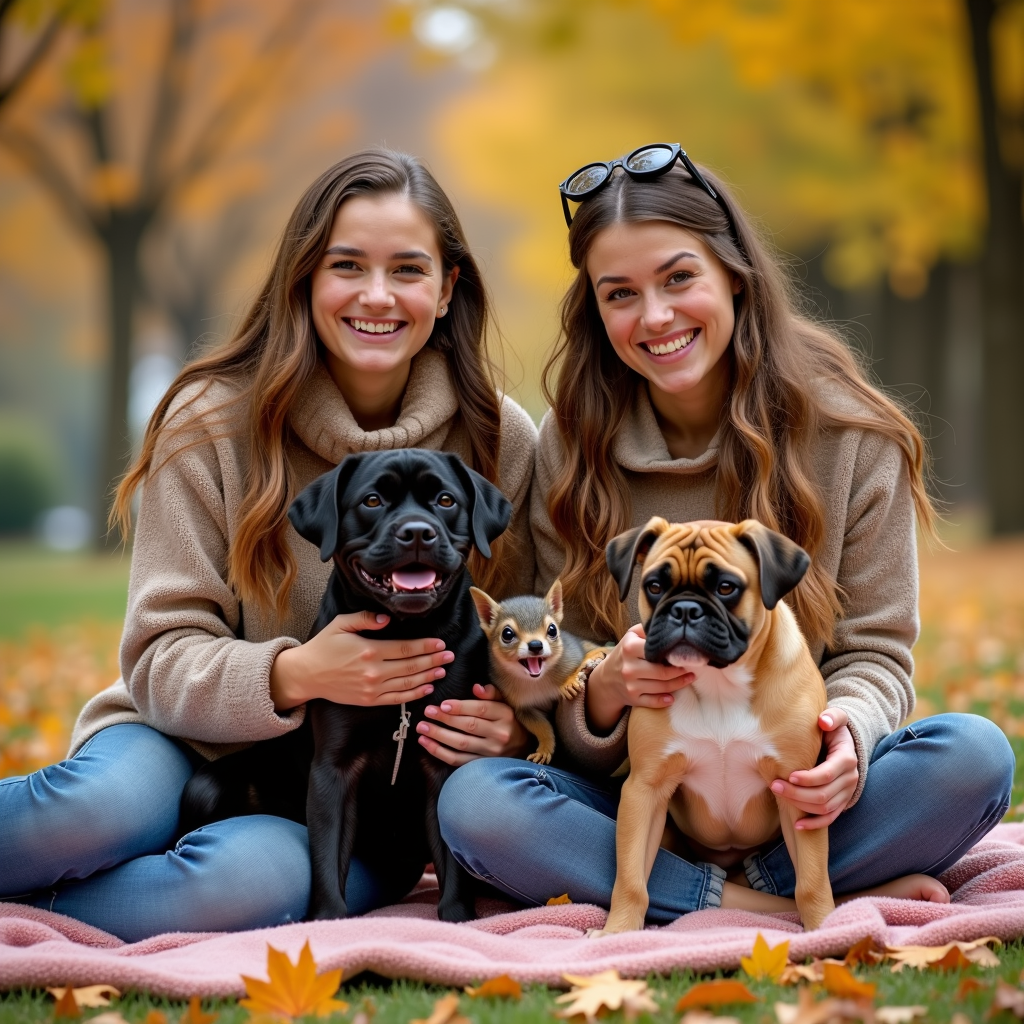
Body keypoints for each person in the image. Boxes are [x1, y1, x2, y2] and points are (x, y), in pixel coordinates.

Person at [438, 144, 1015, 922]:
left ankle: (728, 892)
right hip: (650, 810)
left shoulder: (848, 434)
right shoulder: (570, 448)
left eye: (679, 278)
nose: (656, 317)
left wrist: (845, 738)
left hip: (802, 796)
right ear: (596, 310)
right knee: (479, 804)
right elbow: (555, 656)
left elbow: (877, 651)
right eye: (620, 294)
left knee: (972, 758)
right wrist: (603, 691)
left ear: (734, 275)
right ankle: (780, 900)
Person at [0, 149, 536, 942]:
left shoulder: (500, 439)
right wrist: (294, 672)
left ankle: (48, 907)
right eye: (346, 265)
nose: (378, 295)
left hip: (356, 798)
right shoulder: (212, 419)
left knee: (246, 883)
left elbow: (534, 637)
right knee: (84, 814)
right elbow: (158, 655)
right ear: (303, 280)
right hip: (179, 738)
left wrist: (517, 727)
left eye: (409, 270)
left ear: (448, 287)